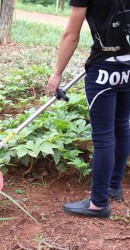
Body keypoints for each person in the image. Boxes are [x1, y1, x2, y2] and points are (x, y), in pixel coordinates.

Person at [46, 0, 130, 218]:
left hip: (104, 68)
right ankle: (113, 187)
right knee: (122, 126)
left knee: (103, 137)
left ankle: (99, 203)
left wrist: (57, 73)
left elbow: (71, 35)